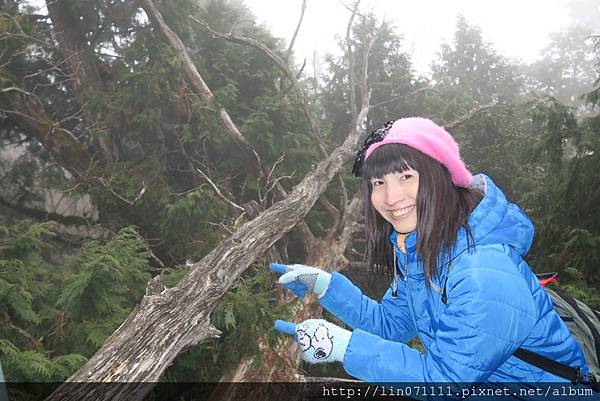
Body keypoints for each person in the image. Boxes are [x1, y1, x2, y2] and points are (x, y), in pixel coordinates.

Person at [271, 117, 591, 384]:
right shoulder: (422, 252)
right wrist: (327, 288)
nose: (391, 197)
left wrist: (344, 347)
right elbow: (391, 325)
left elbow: (445, 379)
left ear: (441, 176)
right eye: (378, 183)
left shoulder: (483, 271)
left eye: (406, 177)